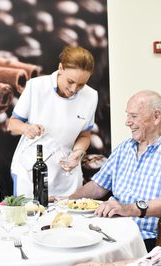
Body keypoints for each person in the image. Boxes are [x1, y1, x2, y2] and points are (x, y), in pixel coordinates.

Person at [69, 90, 161, 252]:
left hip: (143, 236)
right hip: (107, 228)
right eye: (127, 115)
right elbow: (98, 186)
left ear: (156, 117)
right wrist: (67, 201)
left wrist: (129, 209)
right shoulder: (124, 148)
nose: (127, 122)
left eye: (134, 116)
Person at [8, 46, 98, 198]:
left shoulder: (91, 96)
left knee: (69, 220)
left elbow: (84, 135)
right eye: (70, 81)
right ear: (60, 68)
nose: (74, 89)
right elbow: (12, 125)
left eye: (81, 84)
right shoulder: (35, 87)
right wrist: (26, 128)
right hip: (31, 171)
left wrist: (77, 153)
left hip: (66, 172)